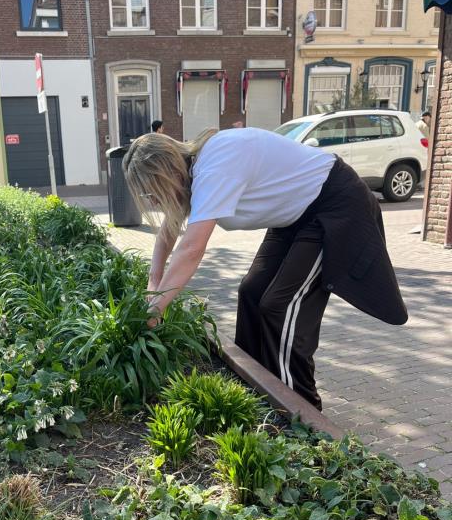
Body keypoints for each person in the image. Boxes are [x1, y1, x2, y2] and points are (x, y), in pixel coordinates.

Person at [122, 128, 407, 411]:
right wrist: (153, 285)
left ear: (168, 171)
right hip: (295, 216)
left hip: (333, 206)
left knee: (279, 307)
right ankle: (255, 395)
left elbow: (191, 249)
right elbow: (168, 233)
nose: (153, 201)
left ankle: (301, 415)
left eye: (151, 191)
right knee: (251, 293)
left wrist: (156, 309)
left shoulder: (214, 165)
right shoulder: (195, 173)